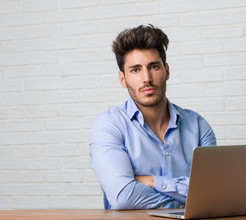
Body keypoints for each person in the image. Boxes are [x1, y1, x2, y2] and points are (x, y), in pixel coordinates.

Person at [89, 25, 216, 210]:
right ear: (122, 79)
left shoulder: (198, 126)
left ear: (167, 71)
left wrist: (151, 181)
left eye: (153, 67)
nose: (146, 78)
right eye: (135, 70)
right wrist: (186, 202)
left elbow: (213, 192)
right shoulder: (108, 126)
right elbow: (122, 196)